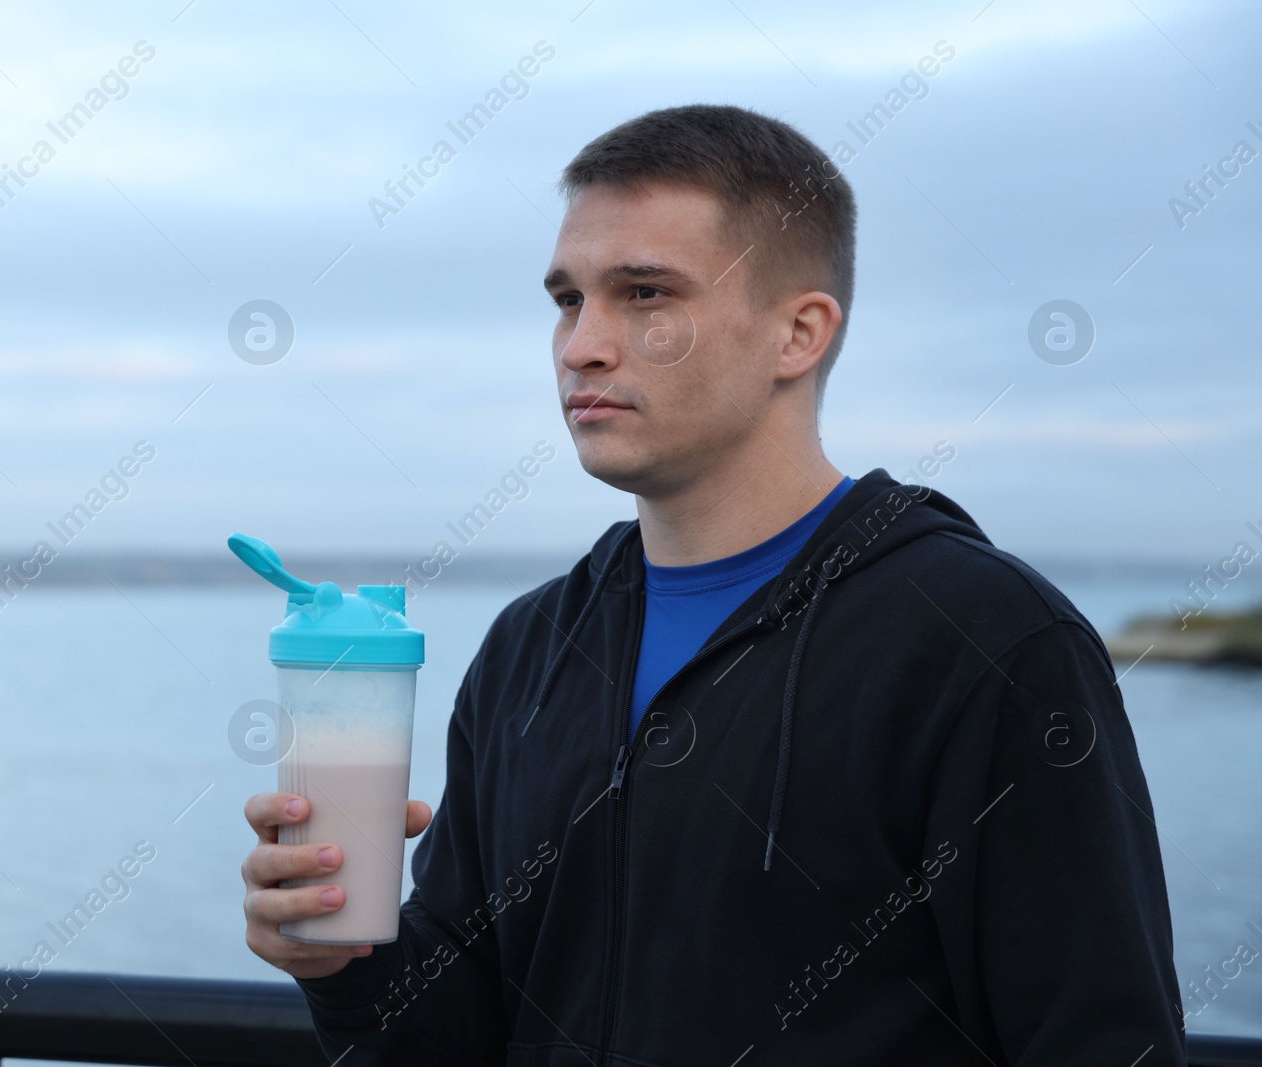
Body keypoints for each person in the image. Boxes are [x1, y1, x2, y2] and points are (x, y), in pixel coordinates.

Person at [240, 104, 1185, 1065]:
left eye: (645, 294)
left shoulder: (987, 642)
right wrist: (346, 965)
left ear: (798, 334)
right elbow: (461, 1039)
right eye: (568, 299)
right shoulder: (532, 647)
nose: (580, 346)